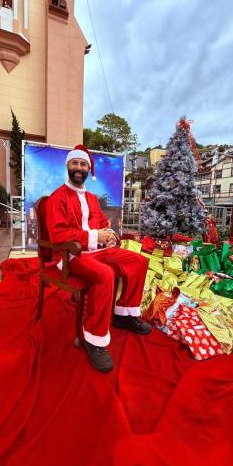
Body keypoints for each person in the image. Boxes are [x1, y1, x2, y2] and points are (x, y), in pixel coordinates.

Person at [46, 145, 152, 372]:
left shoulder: (93, 199)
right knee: (105, 274)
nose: (79, 168)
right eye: (75, 163)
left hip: (97, 250)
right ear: (68, 166)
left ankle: (123, 314)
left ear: (88, 169)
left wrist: (110, 235)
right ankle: (93, 338)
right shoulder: (57, 198)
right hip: (71, 254)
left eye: (83, 164)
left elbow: (103, 223)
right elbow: (58, 235)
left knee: (138, 262)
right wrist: (95, 236)